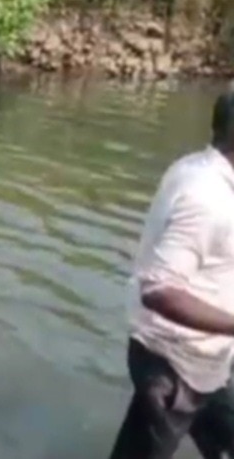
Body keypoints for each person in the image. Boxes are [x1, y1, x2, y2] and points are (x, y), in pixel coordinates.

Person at [107, 92, 234, 459]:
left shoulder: (195, 167)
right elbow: (161, 291)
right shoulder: (207, 198)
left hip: (204, 363)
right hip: (174, 366)